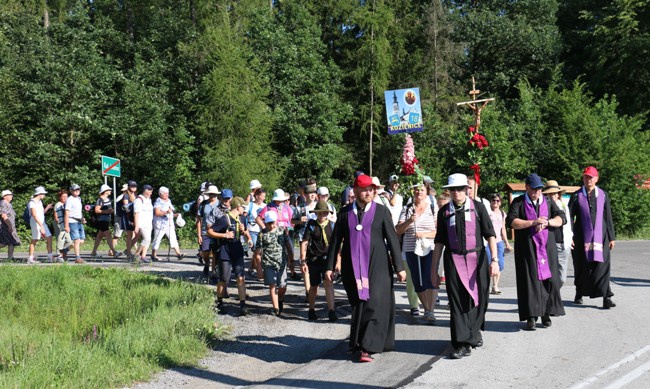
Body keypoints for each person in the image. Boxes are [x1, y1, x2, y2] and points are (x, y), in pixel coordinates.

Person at [325, 174, 406, 363]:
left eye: (371, 189)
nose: (368, 192)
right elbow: (335, 241)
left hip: (377, 266)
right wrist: (329, 267)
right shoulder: (345, 213)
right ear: (355, 191)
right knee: (359, 303)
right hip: (351, 266)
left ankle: (367, 347)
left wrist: (399, 266)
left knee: (374, 302)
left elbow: (392, 239)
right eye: (364, 189)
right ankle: (358, 343)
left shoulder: (381, 211)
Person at [431, 173, 498, 359]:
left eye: (460, 188)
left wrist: (495, 260)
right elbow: (439, 243)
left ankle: (474, 331)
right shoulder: (444, 212)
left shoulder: (478, 208)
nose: (457, 192)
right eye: (453, 189)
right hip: (453, 261)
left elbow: (490, 234)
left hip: (478, 259)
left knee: (480, 299)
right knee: (458, 302)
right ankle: (461, 342)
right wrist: (434, 269)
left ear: (467, 189)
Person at [507, 173, 566, 330]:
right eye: (534, 189)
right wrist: (533, 222)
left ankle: (546, 313)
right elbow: (512, 221)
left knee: (549, 280)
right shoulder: (519, 202)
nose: (537, 192)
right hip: (527, 250)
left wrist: (548, 222)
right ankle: (531, 317)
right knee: (530, 282)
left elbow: (561, 218)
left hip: (547, 249)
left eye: (539, 189)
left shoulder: (548, 201)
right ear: (527, 187)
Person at [569, 166, 616, 309]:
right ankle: (579, 293)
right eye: (585, 177)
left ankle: (606, 297)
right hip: (581, 238)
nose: (588, 179)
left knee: (602, 267)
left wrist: (612, 237)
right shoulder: (576, 195)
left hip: (601, 238)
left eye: (590, 177)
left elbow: (607, 216)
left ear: (596, 178)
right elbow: (569, 216)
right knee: (581, 266)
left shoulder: (603, 195)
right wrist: (569, 235)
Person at [396, 183, 438, 322]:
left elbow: (439, 232)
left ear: (427, 192)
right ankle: (426, 308)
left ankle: (430, 311)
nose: (418, 192)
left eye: (421, 189)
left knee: (430, 279)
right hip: (411, 250)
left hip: (430, 249)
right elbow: (398, 230)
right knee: (418, 281)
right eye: (416, 189)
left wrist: (425, 234)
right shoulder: (407, 209)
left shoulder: (433, 208)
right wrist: (409, 220)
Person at [209, 196, 252, 316]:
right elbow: (210, 231)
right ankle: (220, 303)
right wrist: (224, 235)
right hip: (225, 251)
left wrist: (247, 236)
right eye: (243, 206)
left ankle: (243, 306)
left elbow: (245, 231)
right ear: (238, 207)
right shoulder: (225, 219)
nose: (244, 208)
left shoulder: (242, 218)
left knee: (241, 278)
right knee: (224, 279)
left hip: (238, 250)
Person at [300, 200, 338, 321]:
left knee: (328, 283)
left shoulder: (332, 226)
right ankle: (311, 310)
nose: (322, 216)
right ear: (316, 214)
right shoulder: (311, 225)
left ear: (328, 213)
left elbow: (337, 245)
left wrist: (338, 262)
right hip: (314, 259)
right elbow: (304, 242)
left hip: (328, 259)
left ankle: (331, 311)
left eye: (324, 213)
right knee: (314, 285)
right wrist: (302, 260)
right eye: (320, 213)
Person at [255, 211, 292, 316]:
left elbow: (288, 246)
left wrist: (291, 260)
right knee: (272, 285)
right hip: (268, 263)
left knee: (282, 286)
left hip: (281, 262)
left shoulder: (281, 231)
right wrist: (259, 269)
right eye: (268, 223)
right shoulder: (262, 235)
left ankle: (280, 299)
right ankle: (276, 308)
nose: (271, 226)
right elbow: (257, 253)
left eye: (273, 223)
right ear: (265, 223)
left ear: (276, 221)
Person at [542, 180, 573, 287]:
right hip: (549, 244)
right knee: (550, 274)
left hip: (564, 244)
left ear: (559, 194)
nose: (553, 195)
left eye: (555, 193)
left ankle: (553, 295)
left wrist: (571, 238)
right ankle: (551, 298)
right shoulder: (543, 206)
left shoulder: (563, 205)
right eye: (550, 193)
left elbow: (569, 223)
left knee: (561, 278)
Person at [487, 193, 512, 294]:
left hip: (499, 241)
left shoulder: (502, 213)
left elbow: (503, 229)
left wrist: (507, 242)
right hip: (488, 241)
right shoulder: (488, 212)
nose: (495, 202)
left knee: (500, 264)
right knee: (489, 263)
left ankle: (495, 285)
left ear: (500, 202)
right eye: (493, 200)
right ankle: (487, 286)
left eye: (498, 201)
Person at [151, 186, 185, 261]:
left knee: (173, 238)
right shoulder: (158, 201)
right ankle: (153, 254)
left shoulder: (168, 200)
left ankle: (178, 254)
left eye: (168, 193)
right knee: (157, 239)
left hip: (169, 224)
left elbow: (170, 212)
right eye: (165, 193)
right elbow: (157, 212)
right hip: (160, 224)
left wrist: (176, 215)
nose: (167, 195)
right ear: (160, 194)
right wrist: (166, 212)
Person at [90, 184, 120, 260]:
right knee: (108, 235)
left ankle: (93, 252)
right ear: (105, 191)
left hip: (106, 220)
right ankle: (114, 252)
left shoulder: (108, 199)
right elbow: (97, 210)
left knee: (99, 236)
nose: (110, 191)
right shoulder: (100, 200)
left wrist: (111, 211)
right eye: (109, 190)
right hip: (101, 220)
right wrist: (107, 211)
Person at [198, 185, 221, 276]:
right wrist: (199, 234)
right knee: (205, 251)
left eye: (214, 195)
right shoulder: (203, 204)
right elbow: (198, 220)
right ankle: (207, 263)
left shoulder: (220, 204)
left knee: (216, 252)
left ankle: (213, 270)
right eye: (211, 194)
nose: (212, 196)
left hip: (217, 232)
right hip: (205, 232)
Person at [27, 186, 54, 263]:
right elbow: (34, 215)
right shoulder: (32, 202)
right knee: (35, 239)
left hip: (42, 222)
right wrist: (41, 226)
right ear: (39, 194)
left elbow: (41, 213)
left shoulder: (40, 202)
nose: (44, 195)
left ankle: (50, 256)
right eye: (43, 194)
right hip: (35, 223)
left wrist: (47, 208)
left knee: (49, 237)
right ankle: (30, 258)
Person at [246, 188, 266, 279]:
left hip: (262, 231)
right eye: (263, 196)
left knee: (258, 252)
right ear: (257, 196)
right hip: (252, 230)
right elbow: (244, 216)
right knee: (256, 251)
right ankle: (259, 273)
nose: (264, 198)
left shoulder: (265, 206)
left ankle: (251, 269)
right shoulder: (250, 205)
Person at [64, 184, 86, 263]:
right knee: (77, 240)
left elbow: (79, 211)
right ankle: (78, 257)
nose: (77, 191)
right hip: (72, 221)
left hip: (79, 221)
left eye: (78, 189)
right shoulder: (70, 199)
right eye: (75, 190)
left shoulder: (79, 199)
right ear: (71, 191)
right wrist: (66, 226)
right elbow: (66, 212)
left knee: (81, 240)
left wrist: (82, 218)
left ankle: (65, 250)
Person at [133, 184, 154, 263]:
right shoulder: (139, 200)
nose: (151, 193)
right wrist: (136, 226)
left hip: (149, 223)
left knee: (148, 240)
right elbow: (136, 213)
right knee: (146, 239)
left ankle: (143, 256)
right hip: (142, 223)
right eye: (150, 191)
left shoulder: (149, 199)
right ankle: (137, 254)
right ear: (146, 191)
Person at [0, 190, 21, 260]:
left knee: (12, 242)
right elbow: (4, 215)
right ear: (4, 196)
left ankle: (10, 257)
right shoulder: (3, 203)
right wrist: (9, 226)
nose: (11, 196)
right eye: (10, 195)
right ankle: (10, 257)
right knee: (3, 243)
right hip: (4, 226)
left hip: (9, 225)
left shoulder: (8, 204)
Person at [120, 181, 138, 259]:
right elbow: (126, 208)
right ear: (129, 187)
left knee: (138, 234)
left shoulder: (136, 196)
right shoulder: (126, 196)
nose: (133, 187)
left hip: (135, 216)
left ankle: (127, 250)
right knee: (129, 235)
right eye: (132, 186)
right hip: (128, 217)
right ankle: (129, 253)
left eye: (135, 186)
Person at [52, 189, 71, 262]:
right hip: (59, 224)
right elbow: (56, 215)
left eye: (66, 196)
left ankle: (63, 253)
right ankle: (58, 255)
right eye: (63, 196)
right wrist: (59, 223)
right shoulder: (58, 204)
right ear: (60, 197)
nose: (65, 198)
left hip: (64, 224)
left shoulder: (66, 204)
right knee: (60, 239)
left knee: (68, 241)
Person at [110, 183, 128, 256]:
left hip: (123, 217)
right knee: (117, 235)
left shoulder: (121, 197)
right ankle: (111, 250)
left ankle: (132, 250)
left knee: (132, 234)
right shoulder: (122, 197)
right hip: (120, 217)